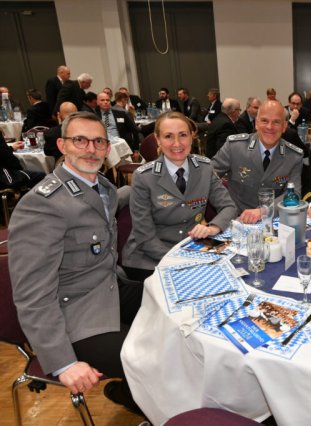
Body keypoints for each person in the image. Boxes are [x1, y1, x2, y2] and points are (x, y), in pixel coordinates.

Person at [8, 111, 142, 414]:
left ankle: (134, 391)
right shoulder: (41, 205)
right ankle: (150, 404)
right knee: (151, 356)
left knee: (172, 308)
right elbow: (32, 294)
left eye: (98, 142)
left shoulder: (104, 188)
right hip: (74, 315)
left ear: (108, 148)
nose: (90, 149)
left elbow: (107, 207)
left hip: (108, 289)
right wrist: (63, 362)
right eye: (80, 140)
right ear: (62, 145)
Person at [122, 111, 238, 281]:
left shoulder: (204, 168)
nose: (177, 143)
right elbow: (145, 236)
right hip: (148, 258)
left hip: (190, 248)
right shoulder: (144, 177)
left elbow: (229, 206)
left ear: (192, 137)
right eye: (168, 136)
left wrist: (212, 228)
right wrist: (180, 260)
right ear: (158, 139)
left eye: (183, 135)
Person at [212, 100, 303, 223]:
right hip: (236, 221)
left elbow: (294, 194)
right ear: (256, 123)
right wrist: (227, 206)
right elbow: (208, 177)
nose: (269, 127)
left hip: (273, 222)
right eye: (264, 120)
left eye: (276, 122)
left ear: (284, 126)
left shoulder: (294, 156)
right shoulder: (234, 147)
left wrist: (264, 211)